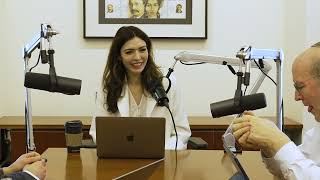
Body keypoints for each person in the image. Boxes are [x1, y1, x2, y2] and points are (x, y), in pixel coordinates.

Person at [89, 26, 191, 150]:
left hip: (162, 158)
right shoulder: (107, 85)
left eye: (142, 50)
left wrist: (161, 151)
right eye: (129, 52)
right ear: (118, 56)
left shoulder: (167, 83)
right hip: (120, 159)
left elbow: (181, 132)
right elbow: (98, 133)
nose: (137, 57)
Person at [232, 42, 320, 179]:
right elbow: (290, 171)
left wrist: (276, 140)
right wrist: (267, 145)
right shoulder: (317, 133)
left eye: (300, 86)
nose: (296, 97)